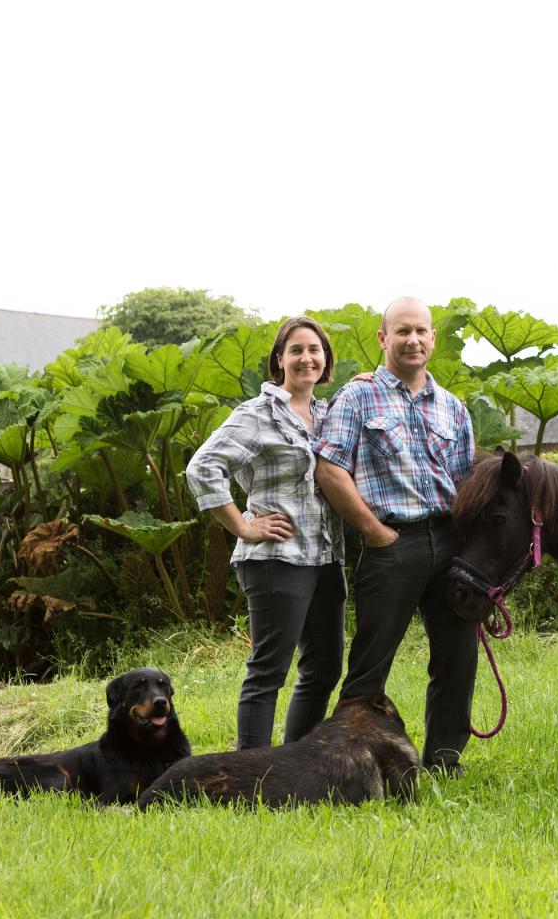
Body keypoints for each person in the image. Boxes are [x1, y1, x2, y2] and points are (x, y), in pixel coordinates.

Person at [312, 296, 478, 774]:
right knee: (370, 662)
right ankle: (351, 761)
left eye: (421, 331)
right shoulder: (357, 397)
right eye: (402, 331)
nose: (413, 340)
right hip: (392, 543)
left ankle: (445, 761)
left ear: (433, 339)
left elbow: (467, 482)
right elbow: (330, 468)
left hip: (449, 544)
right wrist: (372, 530)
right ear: (383, 339)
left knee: (457, 660)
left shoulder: (454, 408)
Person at [186, 316, 344, 750]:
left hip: (326, 559)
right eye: (296, 350)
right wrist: (241, 525)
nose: (306, 357)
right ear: (280, 360)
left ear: (326, 359)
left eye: (315, 349)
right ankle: (249, 772)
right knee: (269, 671)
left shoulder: (328, 414)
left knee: (324, 668)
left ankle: (296, 763)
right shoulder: (257, 414)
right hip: (276, 559)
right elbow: (203, 467)